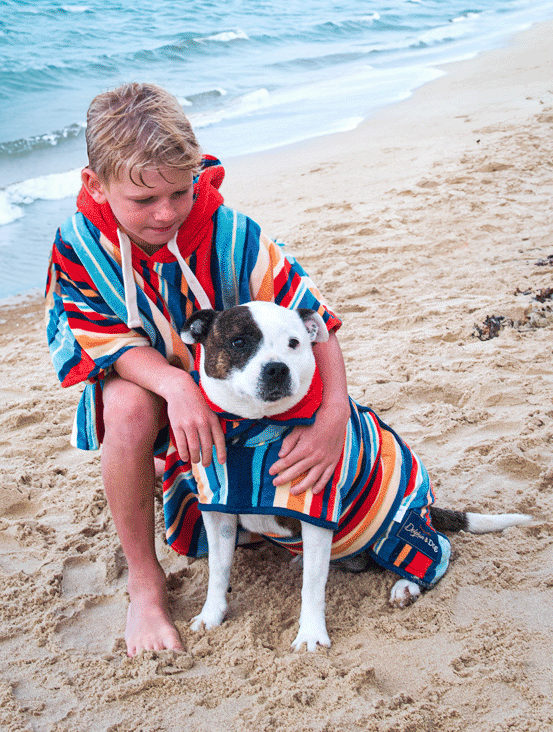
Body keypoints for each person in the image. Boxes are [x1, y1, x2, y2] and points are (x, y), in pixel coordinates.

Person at [45, 83, 350, 657]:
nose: (164, 214)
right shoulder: (79, 247)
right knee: (127, 406)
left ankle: (250, 502)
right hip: (155, 382)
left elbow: (315, 318)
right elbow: (102, 340)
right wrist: (175, 383)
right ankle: (145, 586)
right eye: (142, 201)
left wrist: (332, 417)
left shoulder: (232, 232)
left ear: (195, 174)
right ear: (95, 185)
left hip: (243, 386)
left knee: (298, 462)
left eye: (179, 193)